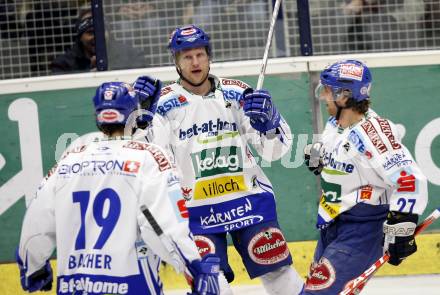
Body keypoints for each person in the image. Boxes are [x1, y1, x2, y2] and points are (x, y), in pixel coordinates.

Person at [134, 25, 304, 295]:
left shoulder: (238, 93)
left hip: (248, 202)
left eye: (200, 55)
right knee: (212, 286)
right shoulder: (164, 104)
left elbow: (274, 151)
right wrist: (141, 122)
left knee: (279, 272)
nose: (195, 62)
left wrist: (269, 127)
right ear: (176, 63)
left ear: (209, 56)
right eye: (187, 57)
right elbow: (151, 159)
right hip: (195, 211)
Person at [16, 81, 221, 295]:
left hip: (74, 287)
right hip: (131, 285)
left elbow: (37, 223)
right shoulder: (149, 157)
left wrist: (33, 268)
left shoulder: (69, 160)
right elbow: (161, 225)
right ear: (132, 112)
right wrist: (194, 267)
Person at [302, 59, 428, 294]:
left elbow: (409, 178)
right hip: (332, 225)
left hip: (362, 230)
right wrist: (320, 157)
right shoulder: (336, 123)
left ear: (344, 96)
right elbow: (343, 155)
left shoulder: (373, 132)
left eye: (328, 91)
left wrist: (403, 222)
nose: (323, 97)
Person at [51, 8, 147, 74]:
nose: (97, 37)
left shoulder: (132, 55)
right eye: (90, 32)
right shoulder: (63, 65)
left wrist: (108, 70)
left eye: (101, 31)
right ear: (80, 37)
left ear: (109, 33)